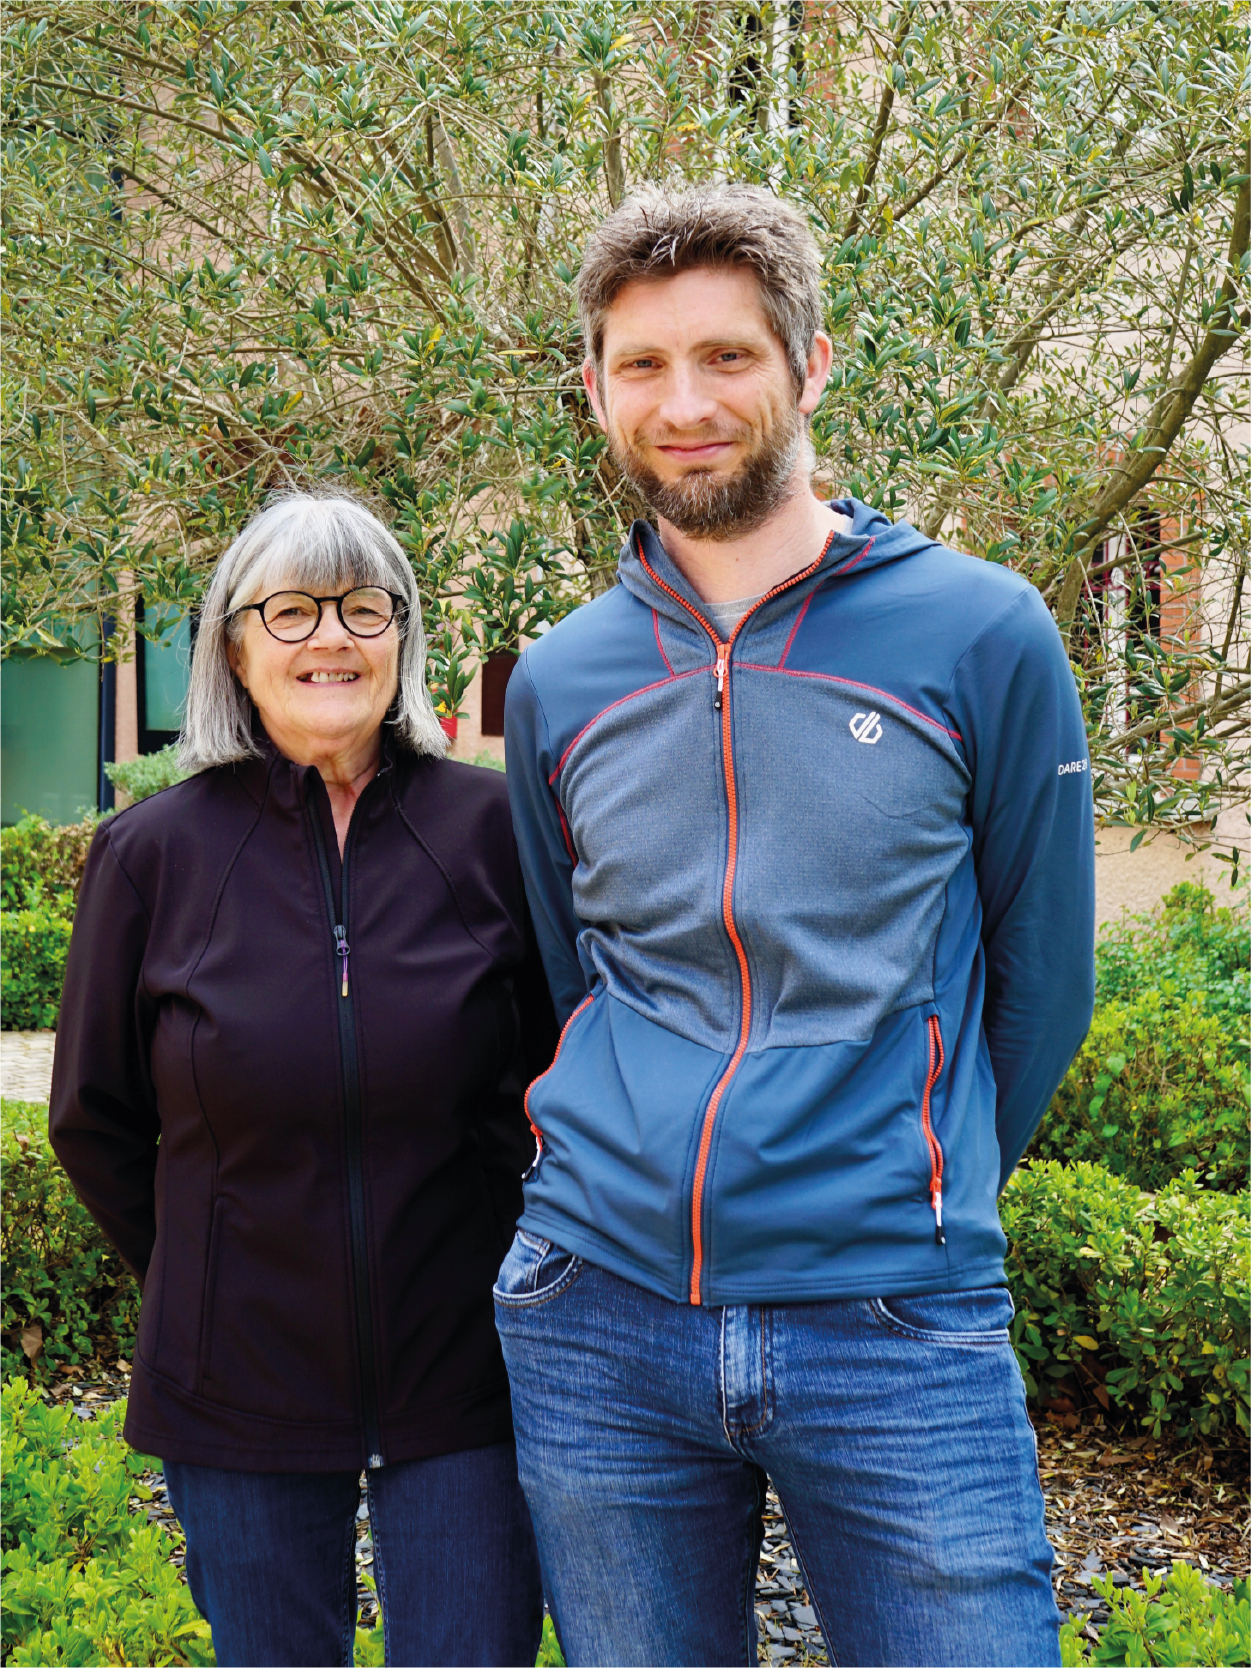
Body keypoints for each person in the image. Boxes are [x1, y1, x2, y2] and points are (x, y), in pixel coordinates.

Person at [497, 185, 1095, 1667]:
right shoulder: (558, 683)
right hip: (597, 1314)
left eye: (727, 358)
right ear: (592, 388)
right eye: (640, 366)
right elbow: (568, 979)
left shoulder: (978, 632)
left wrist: (896, 1177)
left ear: (809, 364)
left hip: (894, 1321)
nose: (683, 403)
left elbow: (1043, 984)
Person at [50, 492, 552, 1668]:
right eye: (291, 610)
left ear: (403, 637)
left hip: (468, 1367)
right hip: (233, 1370)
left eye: (363, 607)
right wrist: (206, 1262)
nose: (331, 638)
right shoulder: (151, 854)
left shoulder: (496, 831)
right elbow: (94, 1117)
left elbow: (559, 1083)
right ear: (231, 643)